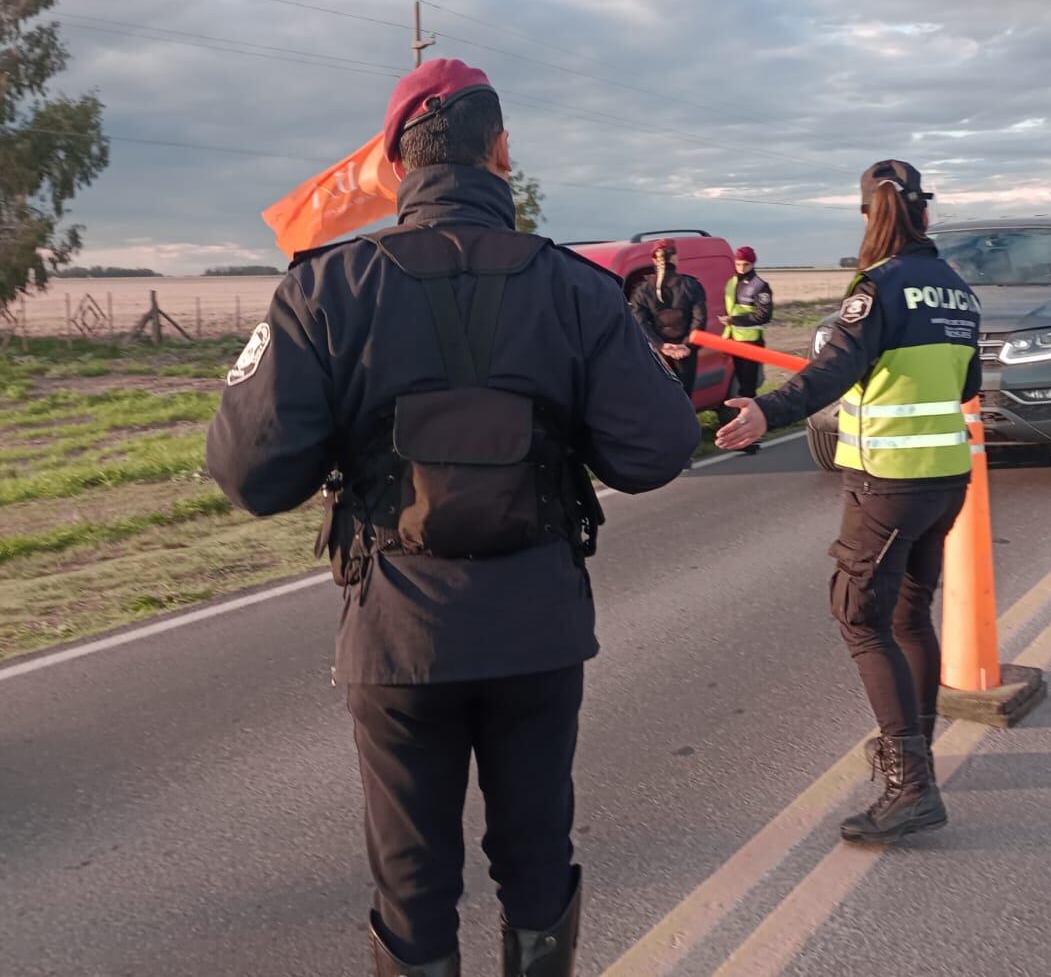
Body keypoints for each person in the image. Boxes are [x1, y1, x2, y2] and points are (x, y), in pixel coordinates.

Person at [205, 58, 701, 977]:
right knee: (535, 863)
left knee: (412, 882)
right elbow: (658, 448)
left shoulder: (324, 288)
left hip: (397, 635)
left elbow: (249, 474)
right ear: (501, 152)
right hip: (537, 628)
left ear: (396, 168)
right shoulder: (579, 287)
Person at [715, 160, 981, 845]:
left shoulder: (877, 288)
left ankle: (910, 786)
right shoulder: (957, 291)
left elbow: (833, 371)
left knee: (860, 618)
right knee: (907, 612)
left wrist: (762, 413)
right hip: (946, 475)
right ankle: (915, 756)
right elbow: (966, 383)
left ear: (871, 215)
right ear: (924, 212)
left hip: (887, 480)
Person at [628, 238, 707, 402]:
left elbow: (640, 323)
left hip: (657, 356)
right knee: (684, 399)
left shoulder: (642, 290)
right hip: (686, 355)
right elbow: (699, 319)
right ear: (675, 258)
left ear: (654, 260)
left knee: (660, 400)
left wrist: (660, 345)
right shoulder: (690, 285)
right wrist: (687, 345)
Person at [722, 245, 773, 455]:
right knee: (739, 389)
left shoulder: (760, 285)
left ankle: (750, 436)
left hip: (751, 342)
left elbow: (764, 316)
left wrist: (736, 320)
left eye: (746, 264)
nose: (741, 267)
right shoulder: (732, 282)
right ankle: (741, 431)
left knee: (748, 390)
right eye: (738, 263)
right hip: (733, 340)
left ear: (753, 264)